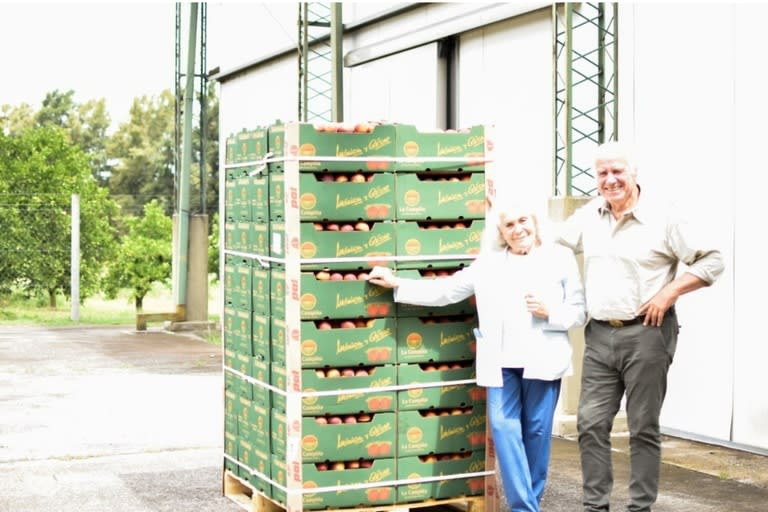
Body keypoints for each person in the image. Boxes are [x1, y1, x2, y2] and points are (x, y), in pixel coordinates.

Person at [369, 204, 586, 512]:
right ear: (501, 233)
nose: (517, 229)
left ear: (535, 222)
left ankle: (528, 504)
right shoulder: (488, 264)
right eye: (509, 224)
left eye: (522, 219)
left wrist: (551, 312)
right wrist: (398, 283)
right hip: (501, 362)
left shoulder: (559, 258)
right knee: (502, 427)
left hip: (543, 359)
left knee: (537, 434)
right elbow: (446, 291)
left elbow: (579, 311)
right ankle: (525, 508)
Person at [555, 141, 725, 512]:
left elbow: (712, 261)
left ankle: (639, 507)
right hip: (599, 335)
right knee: (590, 423)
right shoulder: (589, 215)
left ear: (634, 174)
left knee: (643, 427)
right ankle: (595, 506)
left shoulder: (664, 217)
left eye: (618, 171)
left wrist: (669, 293)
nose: (610, 179)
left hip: (647, 333)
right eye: (602, 173)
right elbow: (549, 246)